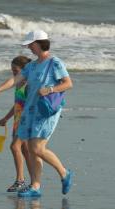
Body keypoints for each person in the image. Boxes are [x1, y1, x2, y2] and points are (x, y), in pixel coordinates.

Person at [13, 30, 74, 197]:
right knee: (33, 150)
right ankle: (35, 187)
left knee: (37, 148)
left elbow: (68, 84)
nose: (29, 48)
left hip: (47, 110)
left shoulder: (55, 62)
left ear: (38, 43)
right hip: (32, 109)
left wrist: (50, 89)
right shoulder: (31, 65)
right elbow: (15, 80)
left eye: (30, 45)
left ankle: (64, 173)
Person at [0, 56, 33, 192]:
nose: (13, 73)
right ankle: (33, 182)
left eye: (15, 71)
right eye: (12, 71)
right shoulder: (18, 84)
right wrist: (6, 118)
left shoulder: (29, 85)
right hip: (18, 120)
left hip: (26, 120)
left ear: (24, 70)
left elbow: (29, 106)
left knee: (14, 147)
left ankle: (20, 180)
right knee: (25, 151)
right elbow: (18, 104)